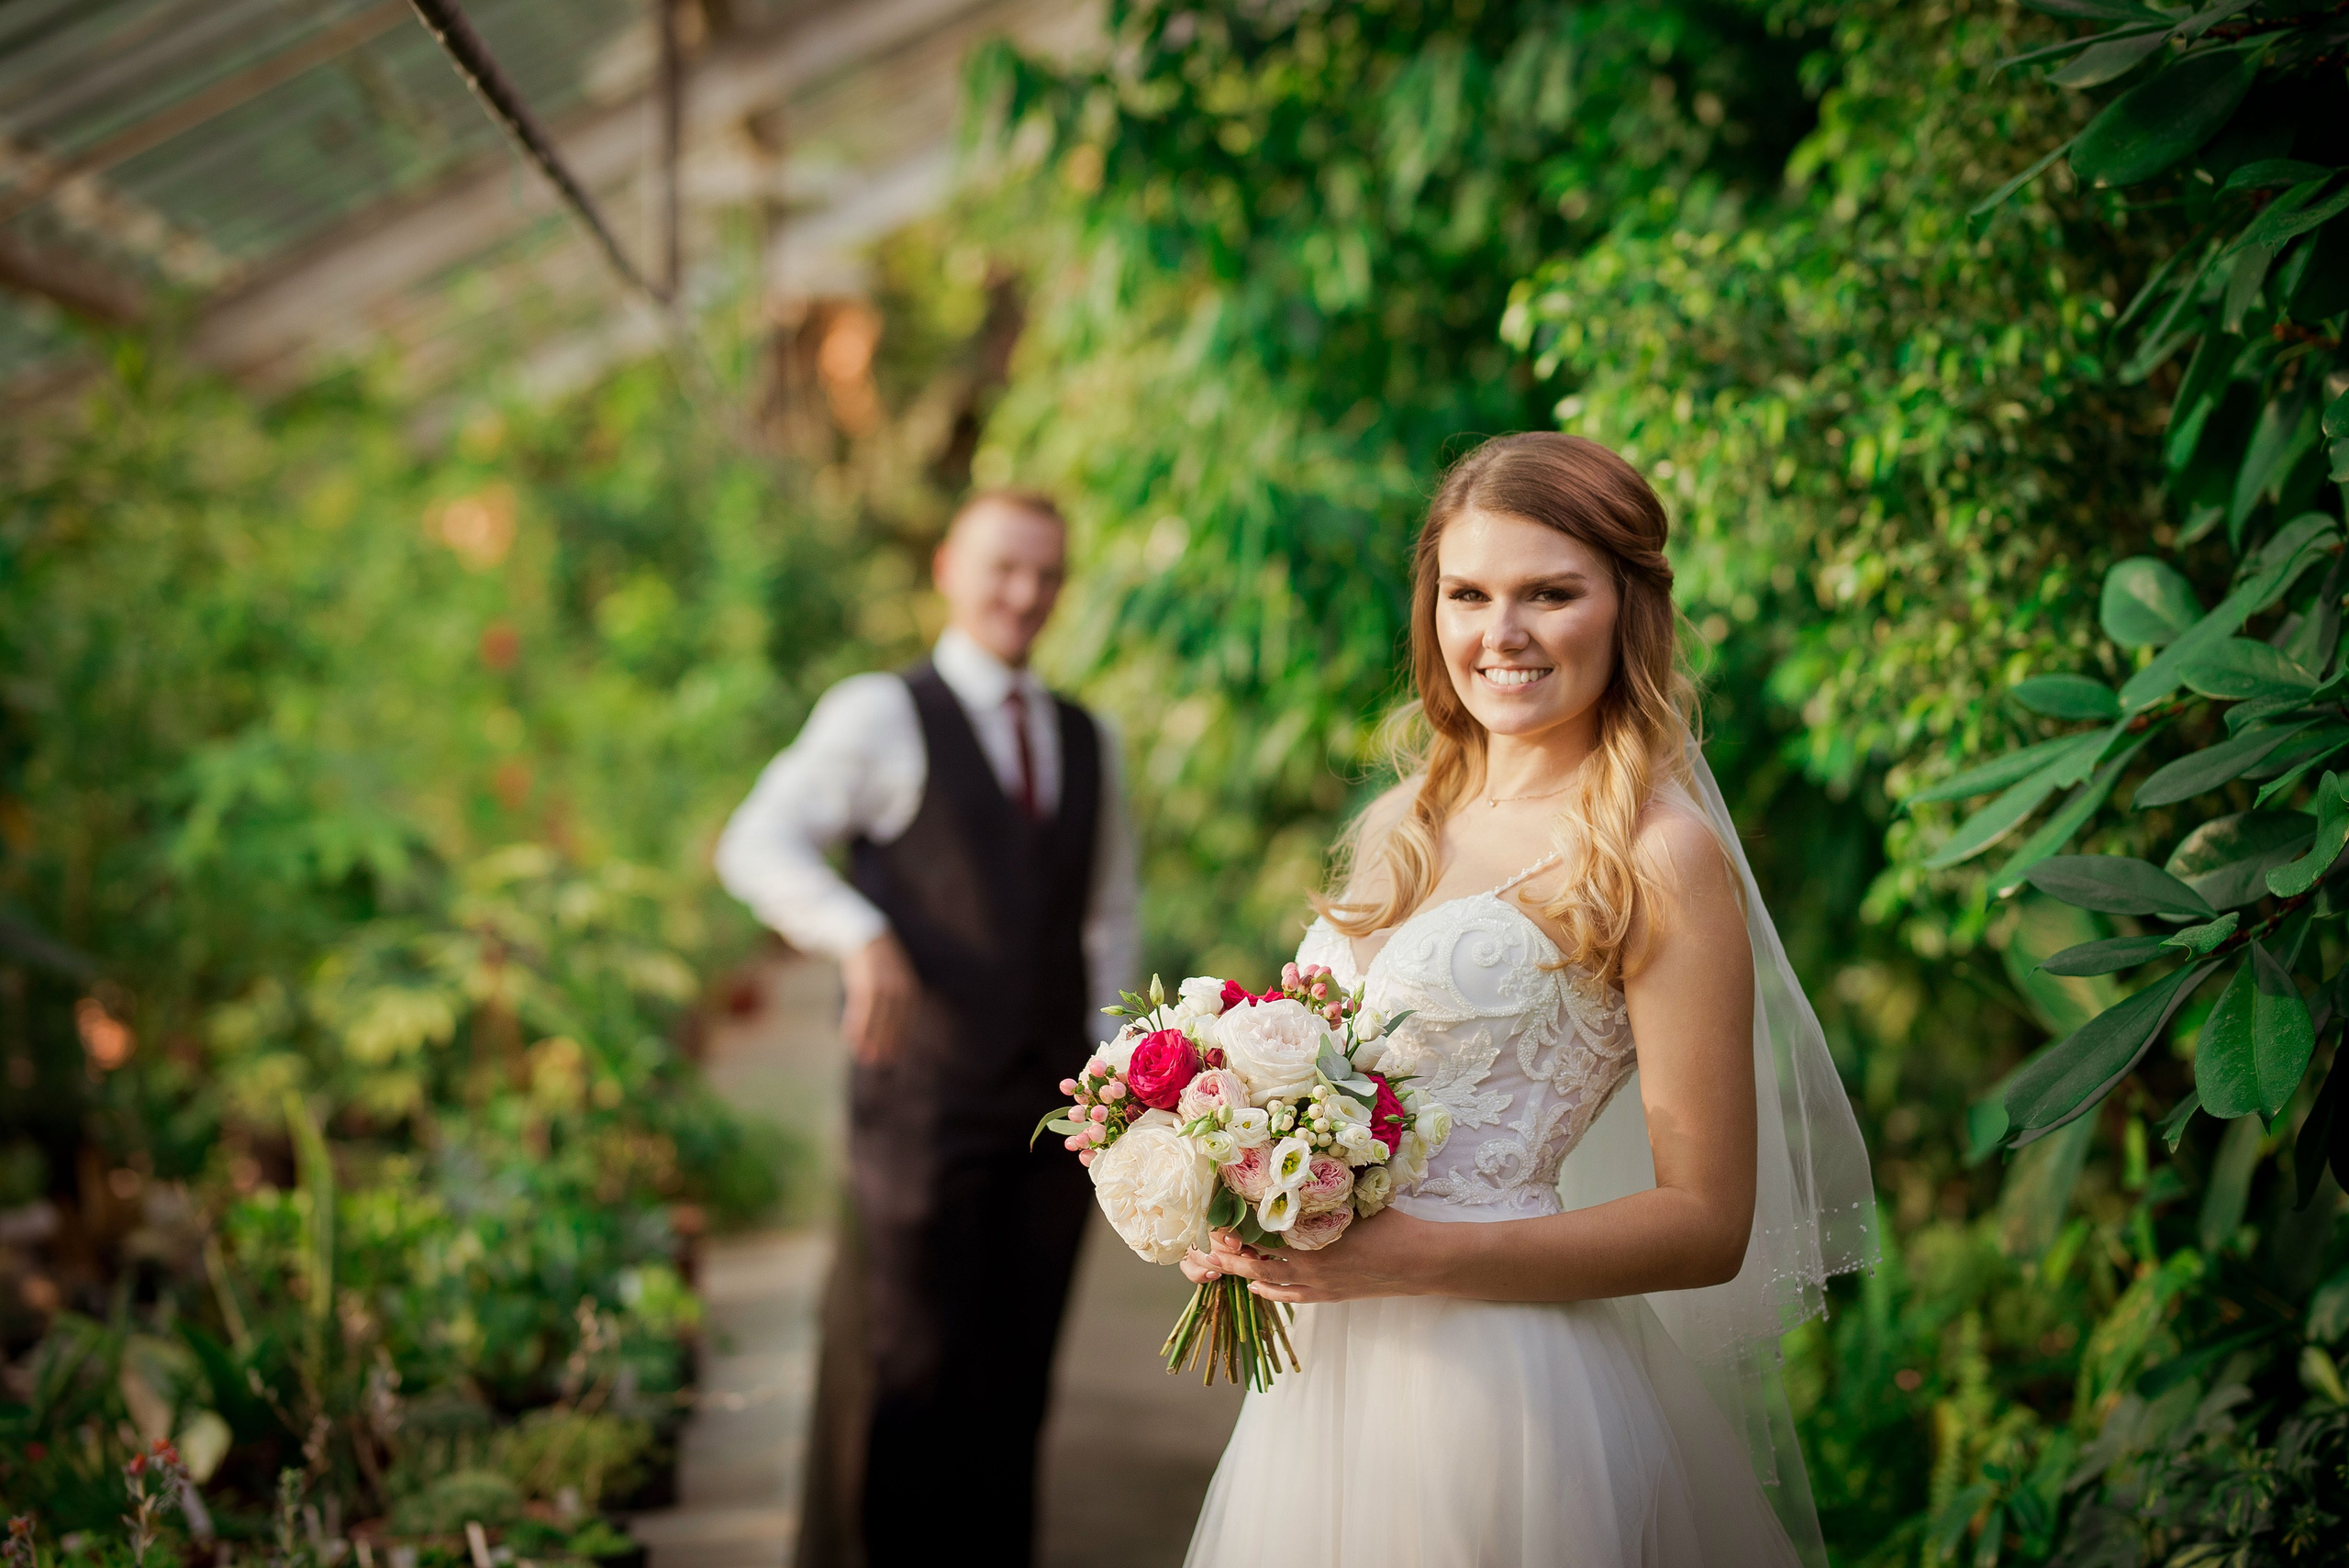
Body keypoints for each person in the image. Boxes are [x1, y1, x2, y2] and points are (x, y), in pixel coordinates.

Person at [1179, 433, 1876, 1567]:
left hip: (1504, 1398)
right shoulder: (1407, 815)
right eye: (1468, 593)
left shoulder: (1654, 853)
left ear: (1627, 609)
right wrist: (1228, 1182)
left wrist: (1405, 1255)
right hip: (1325, 1386)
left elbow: (1707, 1221)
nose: (1498, 636)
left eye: (1549, 593)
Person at [714, 489, 1138, 1568]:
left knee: (1019, 1384)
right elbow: (756, 842)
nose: (1025, 593)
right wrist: (858, 933)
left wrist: (1109, 1070)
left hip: (1055, 1119)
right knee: (920, 1380)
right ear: (948, 565)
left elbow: (1106, 915)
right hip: (922, 1106)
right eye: (1003, 567)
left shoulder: (1092, 739)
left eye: (1046, 572)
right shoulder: (878, 712)